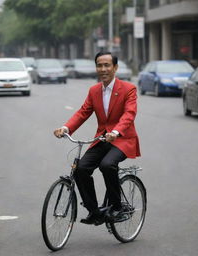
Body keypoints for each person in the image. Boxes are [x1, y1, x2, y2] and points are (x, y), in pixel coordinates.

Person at [54, 52, 140, 225]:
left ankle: (117, 207)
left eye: (107, 65)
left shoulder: (128, 89)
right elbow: (83, 112)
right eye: (99, 65)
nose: (103, 69)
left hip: (122, 139)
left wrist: (116, 132)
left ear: (115, 68)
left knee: (107, 165)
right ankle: (94, 211)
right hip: (102, 139)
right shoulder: (94, 91)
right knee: (81, 169)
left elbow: (129, 114)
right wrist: (66, 128)